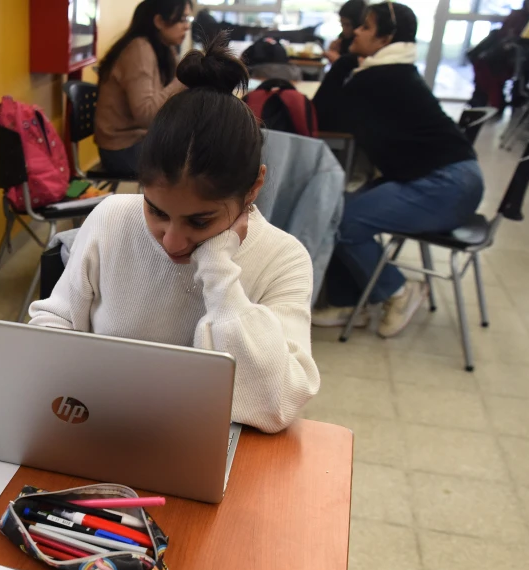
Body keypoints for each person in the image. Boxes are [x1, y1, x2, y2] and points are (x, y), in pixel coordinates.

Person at [29, 36, 320, 433]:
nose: (172, 242)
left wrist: (218, 267)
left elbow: (276, 404)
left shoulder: (283, 259)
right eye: (157, 211)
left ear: (254, 187)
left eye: (200, 222)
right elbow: (55, 318)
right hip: (103, 426)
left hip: (207, 443)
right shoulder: (114, 216)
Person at [311, 2, 484, 337]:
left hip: (445, 185)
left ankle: (399, 292)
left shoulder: (376, 78)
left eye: (364, 28)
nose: (355, 32)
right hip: (444, 177)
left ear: (384, 39)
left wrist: (344, 59)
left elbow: (322, 114)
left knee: (346, 222)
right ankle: (353, 302)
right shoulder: (394, 70)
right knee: (338, 212)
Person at [94, 0, 192, 175]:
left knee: (202, 146)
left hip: (141, 140)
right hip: (122, 149)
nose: (186, 26)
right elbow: (146, 115)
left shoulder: (164, 49)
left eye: (188, 19)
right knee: (197, 164)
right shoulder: (139, 49)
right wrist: (182, 79)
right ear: (159, 21)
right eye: (181, 19)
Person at [468, 0, 529, 109]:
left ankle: (486, 101)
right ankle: (489, 102)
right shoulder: (521, 18)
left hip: (498, 58)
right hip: (500, 58)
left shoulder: (525, 17)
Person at [314, 0, 367, 132]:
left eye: (347, 25)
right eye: (342, 24)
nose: (345, 29)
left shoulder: (361, 50)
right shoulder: (342, 40)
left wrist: (339, 61)